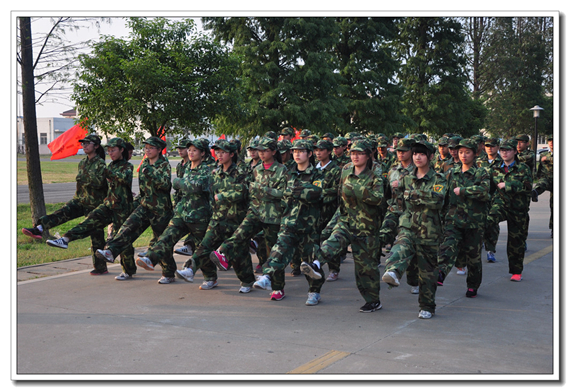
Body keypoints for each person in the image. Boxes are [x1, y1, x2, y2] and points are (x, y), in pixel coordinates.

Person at [305, 139, 385, 313]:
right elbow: (341, 197)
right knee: (333, 240)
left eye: (359, 153)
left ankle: (373, 300)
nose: (355, 156)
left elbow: (378, 198)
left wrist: (357, 190)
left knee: (366, 268)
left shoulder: (374, 174)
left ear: (368, 155)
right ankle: (317, 264)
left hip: (367, 225)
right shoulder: (346, 170)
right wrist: (335, 220)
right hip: (346, 219)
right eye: (353, 153)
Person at [45, 138, 136, 280]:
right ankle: (65, 239)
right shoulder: (110, 166)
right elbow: (103, 184)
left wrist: (106, 172)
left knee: (122, 239)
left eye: (113, 150)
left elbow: (123, 179)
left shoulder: (127, 167)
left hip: (122, 208)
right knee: (90, 220)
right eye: (109, 151)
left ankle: (128, 270)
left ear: (121, 150)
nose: (110, 153)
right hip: (108, 204)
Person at [210, 137, 288, 300]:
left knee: (273, 252)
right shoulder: (256, 169)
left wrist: (264, 190)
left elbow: (282, 193)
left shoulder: (282, 170)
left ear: (273, 152)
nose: (261, 153)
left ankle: (277, 288)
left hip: (273, 215)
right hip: (255, 211)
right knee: (240, 233)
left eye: (265, 150)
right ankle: (222, 252)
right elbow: (250, 191)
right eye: (260, 150)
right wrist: (258, 194)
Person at [22, 134, 108, 275]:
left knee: (96, 236)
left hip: (95, 204)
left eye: (88, 143)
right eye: (83, 144)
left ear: (96, 146)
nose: (84, 146)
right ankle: (39, 228)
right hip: (80, 200)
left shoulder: (101, 164)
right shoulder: (83, 162)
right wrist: (76, 196)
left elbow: (100, 183)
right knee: (62, 212)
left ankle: (100, 267)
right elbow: (79, 183)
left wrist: (85, 179)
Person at [176, 139, 256, 292]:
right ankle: (190, 270)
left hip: (235, 219)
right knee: (204, 246)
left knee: (239, 254)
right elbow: (211, 194)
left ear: (232, 154)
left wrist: (224, 196)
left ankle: (247, 282)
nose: (219, 155)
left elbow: (243, 191)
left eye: (223, 152)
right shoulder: (215, 172)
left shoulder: (240, 172)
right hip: (217, 218)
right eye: (217, 152)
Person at [380, 140, 447, 319]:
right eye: (415, 153)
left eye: (422, 154)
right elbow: (399, 202)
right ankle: (393, 270)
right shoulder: (406, 178)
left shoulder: (438, 179)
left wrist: (415, 195)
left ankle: (427, 306)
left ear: (430, 157)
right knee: (400, 246)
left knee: (428, 272)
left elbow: (437, 200)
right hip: (408, 225)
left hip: (430, 231)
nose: (417, 157)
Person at [252, 139, 324, 303]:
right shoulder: (288, 172)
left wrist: (296, 191)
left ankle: (314, 291)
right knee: (278, 252)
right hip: (288, 223)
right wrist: (296, 192)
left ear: (309, 154)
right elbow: (283, 195)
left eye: (301, 151)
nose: (297, 154)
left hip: (308, 226)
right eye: (295, 151)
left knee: (309, 262)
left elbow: (317, 193)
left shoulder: (317, 174)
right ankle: (268, 277)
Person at [95, 136, 173, 282]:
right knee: (127, 228)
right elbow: (143, 188)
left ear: (158, 149)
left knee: (161, 241)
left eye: (151, 148)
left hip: (161, 209)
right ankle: (110, 251)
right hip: (144, 205)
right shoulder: (144, 163)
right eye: (146, 148)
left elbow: (165, 185)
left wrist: (150, 172)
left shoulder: (164, 164)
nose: (147, 150)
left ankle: (168, 273)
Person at [135, 138, 213, 285]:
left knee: (201, 248)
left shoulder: (206, 169)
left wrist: (179, 183)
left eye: (194, 150)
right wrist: (182, 188)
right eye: (189, 150)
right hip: (182, 213)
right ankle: (150, 258)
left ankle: (210, 277)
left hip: (199, 216)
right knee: (166, 237)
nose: (190, 153)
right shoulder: (186, 167)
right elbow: (180, 188)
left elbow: (196, 186)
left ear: (202, 153)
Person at [437, 139, 490, 298]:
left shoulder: (482, 172)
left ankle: (473, 285)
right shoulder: (451, 172)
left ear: (475, 153)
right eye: (461, 152)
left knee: (473, 258)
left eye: (467, 152)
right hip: (453, 220)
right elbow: (443, 194)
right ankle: (440, 273)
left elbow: (485, 192)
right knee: (447, 247)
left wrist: (464, 190)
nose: (463, 155)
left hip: (474, 222)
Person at [485, 139, 532, 282]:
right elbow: (490, 189)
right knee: (488, 220)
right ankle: (488, 247)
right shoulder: (495, 168)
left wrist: (509, 185)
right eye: (503, 150)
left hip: (518, 209)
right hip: (500, 204)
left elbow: (528, 187)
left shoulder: (523, 168)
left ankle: (516, 271)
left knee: (516, 241)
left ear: (515, 152)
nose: (505, 153)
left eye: (508, 150)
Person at [477, 137, 503, 263]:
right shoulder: (479, 161)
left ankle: (490, 250)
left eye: (492, 146)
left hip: (496, 197)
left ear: (498, 147)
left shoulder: (502, 161)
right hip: (481, 197)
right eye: (487, 146)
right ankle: (481, 243)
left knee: (492, 223)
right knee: (480, 223)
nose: (490, 148)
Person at [172, 139, 195, 257]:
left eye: (183, 148)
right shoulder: (180, 165)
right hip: (181, 199)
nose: (180, 151)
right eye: (178, 148)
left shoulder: (193, 165)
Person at [533, 135, 554, 238]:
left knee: (554, 206)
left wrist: (549, 159)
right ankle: (535, 192)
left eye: (553, 141)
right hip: (547, 179)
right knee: (541, 183)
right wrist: (538, 176)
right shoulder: (543, 154)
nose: (551, 142)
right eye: (549, 141)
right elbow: (540, 169)